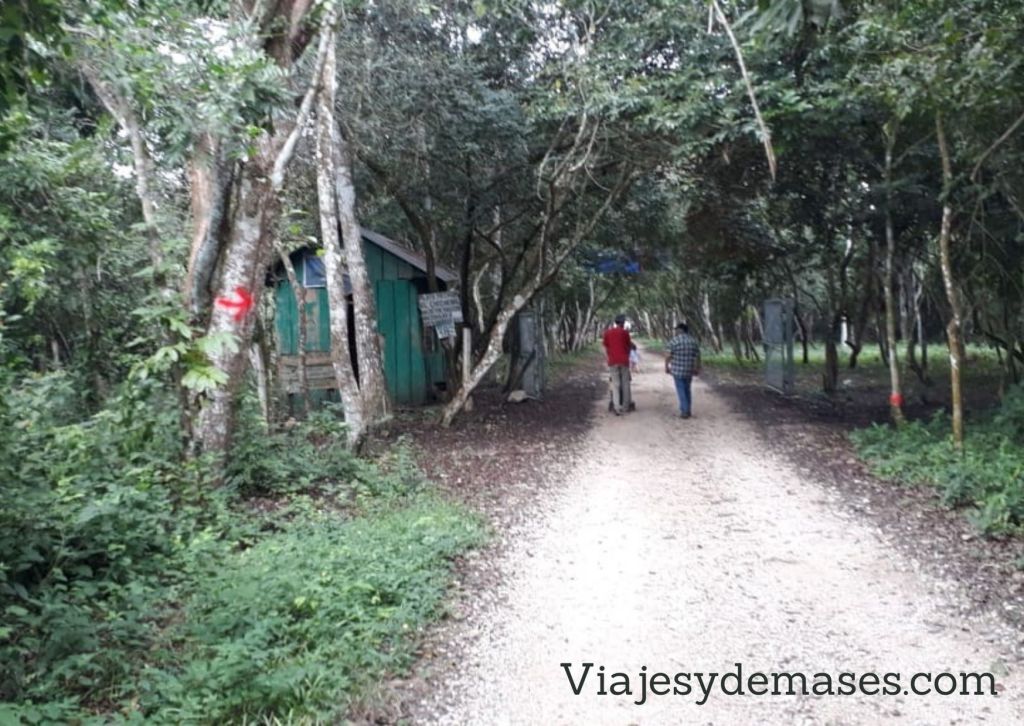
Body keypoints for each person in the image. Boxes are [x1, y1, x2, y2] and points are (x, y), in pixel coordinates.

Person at [665, 322, 701, 418]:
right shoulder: (693, 341)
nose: (676, 331)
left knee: (681, 390)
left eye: (676, 330)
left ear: (680, 330)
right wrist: (697, 368)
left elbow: (668, 356)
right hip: (689, 370)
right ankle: (688, 409)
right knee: (687, 389)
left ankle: (684, 411)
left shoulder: (674, 341)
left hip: (677, 370)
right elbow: (698, 356)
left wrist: (666, 367)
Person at [602, 314, 632, 415]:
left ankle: (616, 407)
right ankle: (625, 406)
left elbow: (606, 346)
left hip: (613, 361)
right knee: (625, 383)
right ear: (623, 323)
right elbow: (628, 346)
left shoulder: (608, 332)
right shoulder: (625, 333)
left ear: (615, 322)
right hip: (624, 361)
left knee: (615, 384)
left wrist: (609, 356)